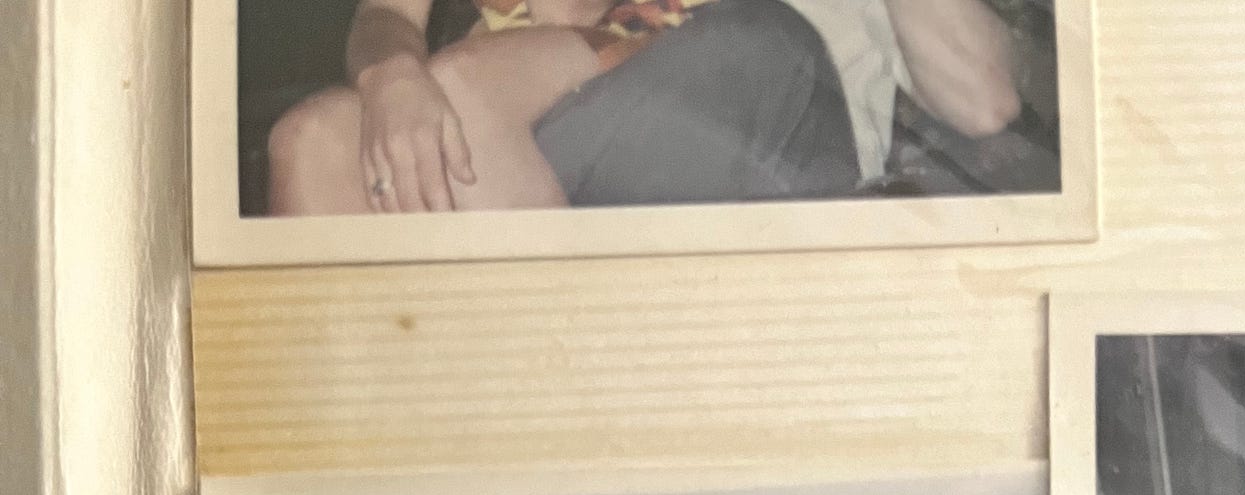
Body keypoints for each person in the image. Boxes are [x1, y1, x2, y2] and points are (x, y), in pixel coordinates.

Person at [264, 0, 1024, 214]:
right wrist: (392, 76)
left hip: (745, 109)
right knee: (309, 142)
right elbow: (385, 17)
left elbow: (986, 100)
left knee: (464, 92)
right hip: (525, 135)